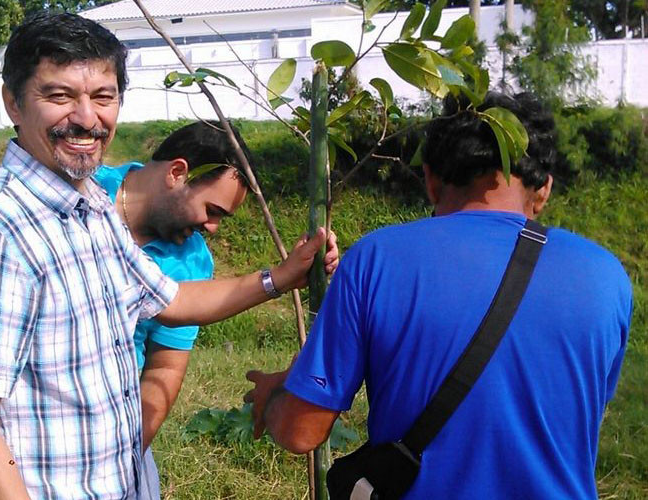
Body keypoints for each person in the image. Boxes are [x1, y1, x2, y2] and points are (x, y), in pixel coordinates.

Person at [0, 11, 336, 500]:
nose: (86, 117)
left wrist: (282, 277)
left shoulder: (91, 207)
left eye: (103, 96)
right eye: (59, 96)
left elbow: (172, 299)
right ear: (13, 102)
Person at [244, 92, 632, 499]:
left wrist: (274, 396)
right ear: (544, 189)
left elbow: (300, 430)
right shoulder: (607, 276)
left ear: (430, 179)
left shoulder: (376, 260)